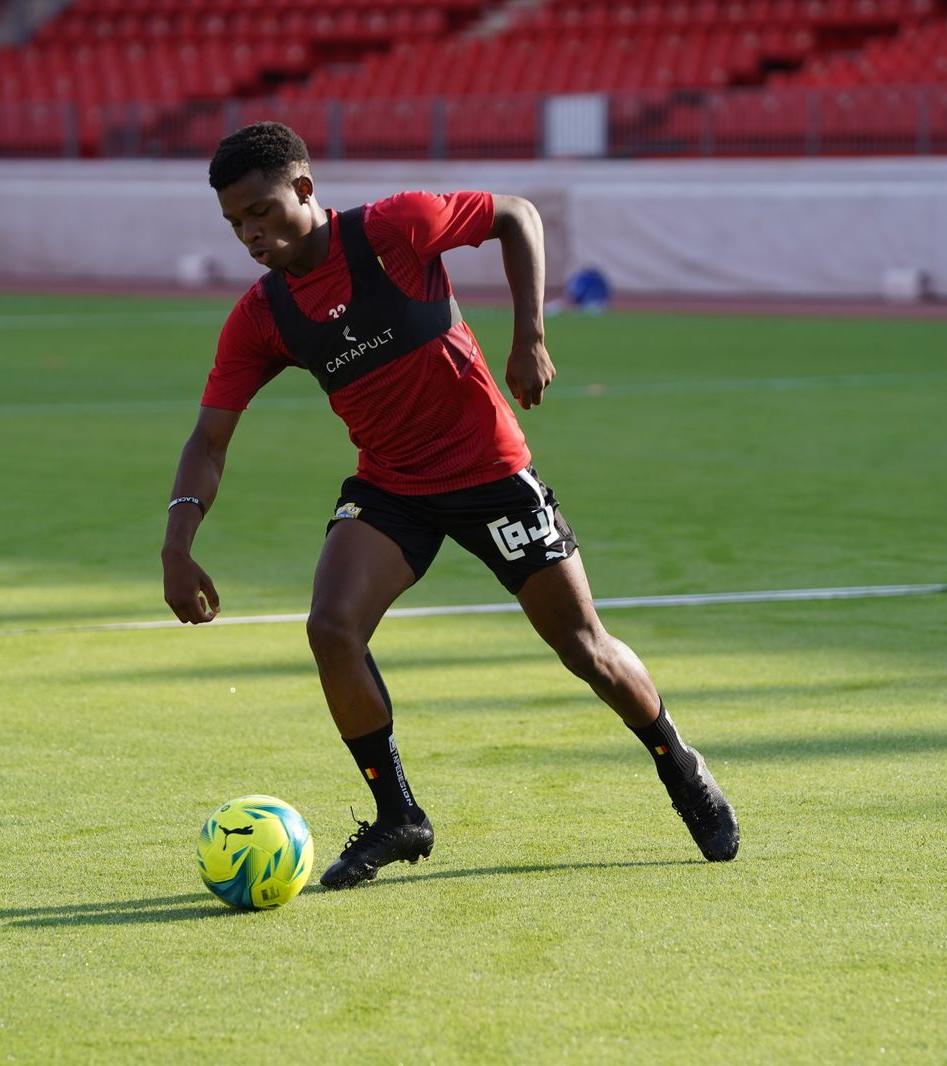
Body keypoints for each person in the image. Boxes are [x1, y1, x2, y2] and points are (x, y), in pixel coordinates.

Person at [162, 122, 738, 890]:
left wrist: (529, 333)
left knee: (583, 648)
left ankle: (678, 764)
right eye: (236, 223)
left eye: (261, 211)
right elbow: (209, 438)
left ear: (303, 189)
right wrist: (178, 542)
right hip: (393, 486)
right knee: (332, 627)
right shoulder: (264, 316)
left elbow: (516, 215)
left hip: (491, 473)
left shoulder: (395, 228)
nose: (251, 234)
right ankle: (399, 817)